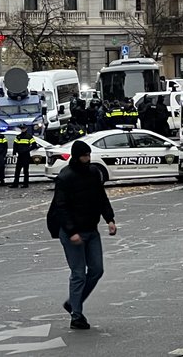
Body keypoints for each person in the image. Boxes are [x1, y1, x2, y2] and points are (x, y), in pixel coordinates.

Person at [48, 139, 116, 331]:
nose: (87, 158)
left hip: (90, 229)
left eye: (88, 155)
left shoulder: (93, 173)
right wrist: (71, 231)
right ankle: (76, 315)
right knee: (78, 273)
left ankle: (73, 303)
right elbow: (61, 207)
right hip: (73, 232)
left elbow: (101, 197)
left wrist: (109, 219)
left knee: (97, 270)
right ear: (77, 156)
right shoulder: (65, 177)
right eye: (84, 155)